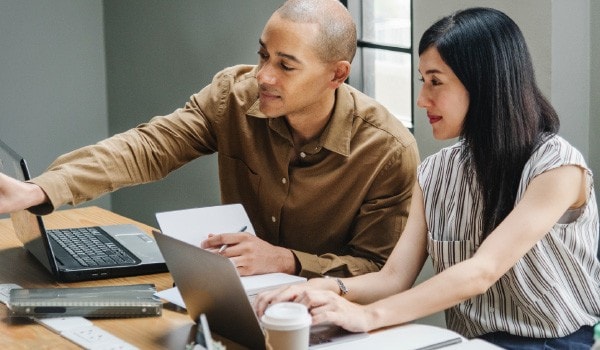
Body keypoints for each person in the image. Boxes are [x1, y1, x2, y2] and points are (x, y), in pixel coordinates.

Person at [255, 7, 600, 349]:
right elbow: (393, 279)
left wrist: (369, 316)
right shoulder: (435, 173)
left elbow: (482, 271)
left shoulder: (557, 167)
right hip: (470, 343)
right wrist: (327, 288)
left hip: (560, 343)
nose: (422, 99)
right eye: (423, 81)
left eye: (436, 82)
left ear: (484, 83)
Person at [0, 0, 419, 278]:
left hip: (331, 320)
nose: (264, 76)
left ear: (337, 74)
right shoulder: (234, 95)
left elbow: (380, 269)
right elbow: (150, 146)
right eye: (263, 55)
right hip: (234, 297)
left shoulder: (386, 150)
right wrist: (37, 190)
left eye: (286, 66)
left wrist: (288, 262)